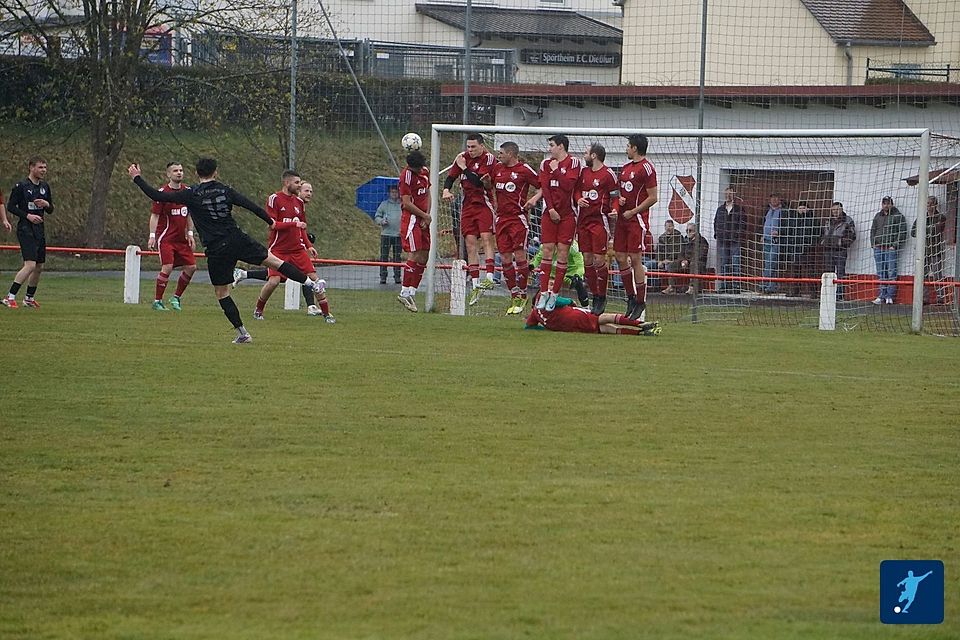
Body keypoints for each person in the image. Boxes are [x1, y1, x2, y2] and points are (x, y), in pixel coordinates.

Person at [128, 158, 320, 344]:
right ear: (216, 172)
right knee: (275, 262)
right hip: (236, 238)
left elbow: (157, 195)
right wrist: (270, 222)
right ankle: (311, 284)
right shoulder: (225, 189)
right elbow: (250, 205)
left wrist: (137, 178)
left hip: (216, 248)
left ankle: (243, 333)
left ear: (196, 173)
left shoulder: (190, 193)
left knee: (222, 293)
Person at [249, 170, 334, 323]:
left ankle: (327, 315)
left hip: (297, 249)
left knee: (315, 279)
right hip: (278, 249)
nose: (299, 185)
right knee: (274, 281)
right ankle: (258, 310)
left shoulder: (299, 203)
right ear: (286, 183)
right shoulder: (274, 199)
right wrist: (293, 223)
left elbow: (302, 227)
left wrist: (308, 245)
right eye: (296, 183)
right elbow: (273, 225)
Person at [442, 133, 497, 301]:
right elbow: (450, 177)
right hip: (467, 206)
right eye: (468, 147)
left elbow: (479, 182)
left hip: (483, 204)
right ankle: (475, 284)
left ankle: (489, 277)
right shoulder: (463, 158)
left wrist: (464, 168)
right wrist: (446, 189)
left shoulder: (488, 159)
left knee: (487, 238)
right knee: (470, 243)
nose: (470, 150)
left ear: (481, 146)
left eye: (473, 147)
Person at [490, 141, 540, 315]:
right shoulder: (496, 169)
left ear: (511, 153)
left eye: (501, 153)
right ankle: (514, 295)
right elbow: (490, 187)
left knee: (520, 257)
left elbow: (542, 186)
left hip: (518, 219)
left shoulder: (524, 170)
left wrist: (533, 200)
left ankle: (524, 292)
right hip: (501, 219)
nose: (499, 155)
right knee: (504, 258)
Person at [536, 134, 584, 312]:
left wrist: (557, 170)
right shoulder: (545, 164)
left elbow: (568, 186)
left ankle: (555, 294)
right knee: (547, 251)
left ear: (561, 146)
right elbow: (546, 188)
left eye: (551, 145)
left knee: (563, 253)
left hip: (568, 215)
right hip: (550, 213)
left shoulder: (574, 163)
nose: (549, 149)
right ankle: (543, 293)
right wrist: (550, 209)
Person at [612, 134, 658, 319]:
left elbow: (653, 197)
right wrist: (619, 199)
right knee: (620, 257)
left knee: (635, 259)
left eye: (628, 146)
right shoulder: (624, 169)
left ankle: (640, 301)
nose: (626, 149)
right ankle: (630, 296)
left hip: (636, 219)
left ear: (635, 148)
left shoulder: (647, 168)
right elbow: (617, 191)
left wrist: (634, 211)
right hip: (623, 219)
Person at [3, 156, 53, 309]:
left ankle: (29, 298)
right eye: (40, 167)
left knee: (39, 266)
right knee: (30, 264)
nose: (43, 170)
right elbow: (11, 206)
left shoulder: (44, 186)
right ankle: (10, 297)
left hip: (39, 229)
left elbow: (50, 210)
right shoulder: (21, 186)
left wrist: (46, 204)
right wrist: (28, 216)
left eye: (44, 167)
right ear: (31, 167)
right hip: (25, 229)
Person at [147, 161, 197, 311]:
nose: (179, 173)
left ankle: (176, 298)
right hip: (166, 238)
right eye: (175, 171)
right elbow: (155, 216)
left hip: (182, 240)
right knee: (167, 267)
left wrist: (190, 233)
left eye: (181, 170)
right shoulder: (162, 193)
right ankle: (157, 301)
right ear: (168, 174)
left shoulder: (187, 192)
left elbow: (189, 215)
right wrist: (152, 236)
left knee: (191, 267)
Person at [575, 142, 618, 314]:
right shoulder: (583, 172)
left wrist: (615, 209)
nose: (584, 156)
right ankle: (595, 295)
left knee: (599, 260)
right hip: (583, 221)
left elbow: (615, 195)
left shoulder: (608, 174)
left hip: (599, 221)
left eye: (586, 153)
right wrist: (578, 199)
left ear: (594, 155)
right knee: (586, 260)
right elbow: (576, 191)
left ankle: (602, 295)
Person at [525, 295, 661, 336]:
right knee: (606, 317)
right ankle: (639, 324)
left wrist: (546, 328)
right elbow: (562, 301)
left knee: (606, 329)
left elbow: (529, 327)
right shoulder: (544, 297)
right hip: (575, 317)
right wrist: (569, 301)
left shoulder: (535, 313)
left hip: (572, 329)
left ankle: (640, 334)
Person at [397, 150, 431, 312]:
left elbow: (428, 194)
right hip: (411, 219)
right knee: (415, 252)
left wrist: (427, 216)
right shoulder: (406, 176)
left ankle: (412, 291)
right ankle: (404, 291)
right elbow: (406, 203)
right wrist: (423, 215)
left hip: (423, 218)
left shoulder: (424, 172)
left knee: (425, 255)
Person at [870, 195, 907, 305]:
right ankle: (881, 296)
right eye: (884, 203)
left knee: (891, 272)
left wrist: (894, 245)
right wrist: (874, 244)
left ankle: (890, 296)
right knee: (881, 273)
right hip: (879, 248)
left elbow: (902, 232)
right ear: (882, 204)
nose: (886, 205)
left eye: (888, 203)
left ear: (892, 204)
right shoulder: (878, 216)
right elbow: (873, 230)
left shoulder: (898, 216)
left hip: (890, 249)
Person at [911, 195, 948, 304]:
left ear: (935, 205)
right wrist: (927, 230)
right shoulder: (921, 217)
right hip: (923, 251)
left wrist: (924, 230)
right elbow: (913, 232)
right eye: (927, 204)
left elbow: (936, 230)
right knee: (922, 276)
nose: (929, 206)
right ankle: (924, 298)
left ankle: (940, 298)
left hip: (936, 251)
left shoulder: (941, 217)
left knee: (937, 275)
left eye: (931, 204)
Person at [529, 240, 589, 307]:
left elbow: (580, 266)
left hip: (569, 273)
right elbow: (538, 258)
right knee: (545, 287)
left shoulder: (573, 247)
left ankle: (586, 306)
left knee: (578, 283)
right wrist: (532, 266)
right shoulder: (545, 245)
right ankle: (535, 307)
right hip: (553, 273)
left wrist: (577, 275)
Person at [818, 202, 856, 300]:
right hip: (828, 250)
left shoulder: (848, 220)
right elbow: (822, 233)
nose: (835, 211)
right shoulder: (827, 221)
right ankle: (829, 295)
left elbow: (852, 235)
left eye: (837, 209)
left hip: (840, 251)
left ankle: (839, 295)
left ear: (842, 209)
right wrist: (823, 242)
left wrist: (840, 242)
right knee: (828, 273)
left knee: (840, 273)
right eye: (834, 209)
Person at [782, 201, 820, 297]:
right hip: (795, 248)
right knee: (795, 270)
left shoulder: (812, 220)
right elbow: (789, 231)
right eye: (800, 208)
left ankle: (813, 292)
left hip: (807, 249)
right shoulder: (794, 219)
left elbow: (817, 233)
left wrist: (811, 244)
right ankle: (795, 291)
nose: (802, 210)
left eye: (804, 208)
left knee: (809, 271)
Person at [713, 186, 747, 293]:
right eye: (726, 194)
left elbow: (743, 223)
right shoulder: (720, 209)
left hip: (734, 240)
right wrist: (717, 234)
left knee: (736, 262)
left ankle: (736, 285)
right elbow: (716, 222)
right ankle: (724, 285)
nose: (728, 196)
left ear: (734, 195)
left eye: (730, 194)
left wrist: (738, 234)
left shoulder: (739, 209)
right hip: (723, 240)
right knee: (724, 263)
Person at [667, 223, 709, 295]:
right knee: (672, 265)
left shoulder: (702, 241)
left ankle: (692, 287)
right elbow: (681, 253)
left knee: (694, 264)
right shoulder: (685, 240)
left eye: (690, 230)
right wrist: (683, 260)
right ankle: (672, 287)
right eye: (687, 231)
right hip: (685, 262)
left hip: (698, 263)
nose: (688, 232)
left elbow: (701, 255)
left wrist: (688, 261)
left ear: (696, 231)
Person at [374, 184, 402, 285]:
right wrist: (381, 221)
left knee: (397, 257)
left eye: (396, 192)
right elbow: (377, 216)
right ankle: (383, 276)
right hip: (386, 234)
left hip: (399, 235)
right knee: (384, 256)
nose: (394, 194)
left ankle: (397, 276)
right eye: (392, 192)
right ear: (389, 193)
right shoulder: (384, 204)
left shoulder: (402, 204)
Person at [761, 193, 783, 294]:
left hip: (776, 241)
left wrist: (779, 232)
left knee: (771, 262)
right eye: (772, 198)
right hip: (766, 239)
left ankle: (765, 284)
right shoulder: (767, 210)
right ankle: (771, 286)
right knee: (767, 263)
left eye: (776, 198)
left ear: (779, 200)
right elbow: (762, 222)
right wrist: (762, 235)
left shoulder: (783, 211)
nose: (774, 200)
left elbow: (787, 225)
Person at [655, 220, 684, 294]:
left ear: (673, 226)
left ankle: (671, 287)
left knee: (669, 265)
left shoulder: (678, 236)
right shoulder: (662, 238)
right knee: (649, 264)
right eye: (667, 226)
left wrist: (668, 259)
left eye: (670, 226)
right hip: (663, 260)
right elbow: (658, 251)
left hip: (675, 259)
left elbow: (678, 251)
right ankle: (653, 287)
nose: (668, 228)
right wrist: (659, 261)